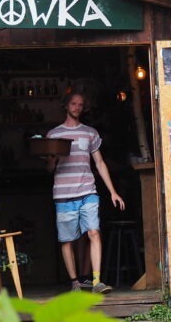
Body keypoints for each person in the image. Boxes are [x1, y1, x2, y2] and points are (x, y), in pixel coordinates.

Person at [45, 90, 124, 293]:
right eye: (73, 104)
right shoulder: (54, 134)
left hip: (88, 190)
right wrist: (52, 158)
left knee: (93, 232)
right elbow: (48, 169)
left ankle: (97, 282)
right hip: (63, 194)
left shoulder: (90, 133)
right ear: (66, 105)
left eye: (80, 105)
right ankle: (75, 283)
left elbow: (99, 162)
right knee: (67, 239)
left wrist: (112, 191)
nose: (77, 108)